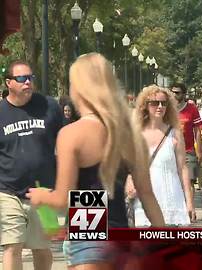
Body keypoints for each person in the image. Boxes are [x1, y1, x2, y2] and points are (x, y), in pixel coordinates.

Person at [26, 53, 165, 268]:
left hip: (87, 224)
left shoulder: (72, 134)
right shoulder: (130, 134)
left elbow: (63, 199)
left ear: (79, 88)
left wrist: (42, 197)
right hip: (121, 231)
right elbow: (146, 194)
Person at [1, 60, 63, 270]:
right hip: (7, 192)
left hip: (44, 191)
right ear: (8, 82)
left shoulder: (48, 106)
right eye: (21, 78)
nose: (27, 82)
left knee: (43, 248)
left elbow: (64, 140)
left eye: (30, 78)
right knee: (12, 246)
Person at [132, 85, 193, 227]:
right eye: (154, 103)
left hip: (171, 200)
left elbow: (182, 168)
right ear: (145, 106)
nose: (160, 107)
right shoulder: (136, 134)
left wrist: (189, 202)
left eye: (164, 103)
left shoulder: (175, 133)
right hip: (144, 201)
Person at [171, 83, 202, 196]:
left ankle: (190, 207)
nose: (174, 95)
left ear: (184, 94)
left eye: (177, 93)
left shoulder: (191, 109)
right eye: (172, 92)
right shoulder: (167, 109)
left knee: (189, 180)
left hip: (188, 150)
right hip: (171, 150)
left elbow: (197, 131)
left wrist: (199, 151)